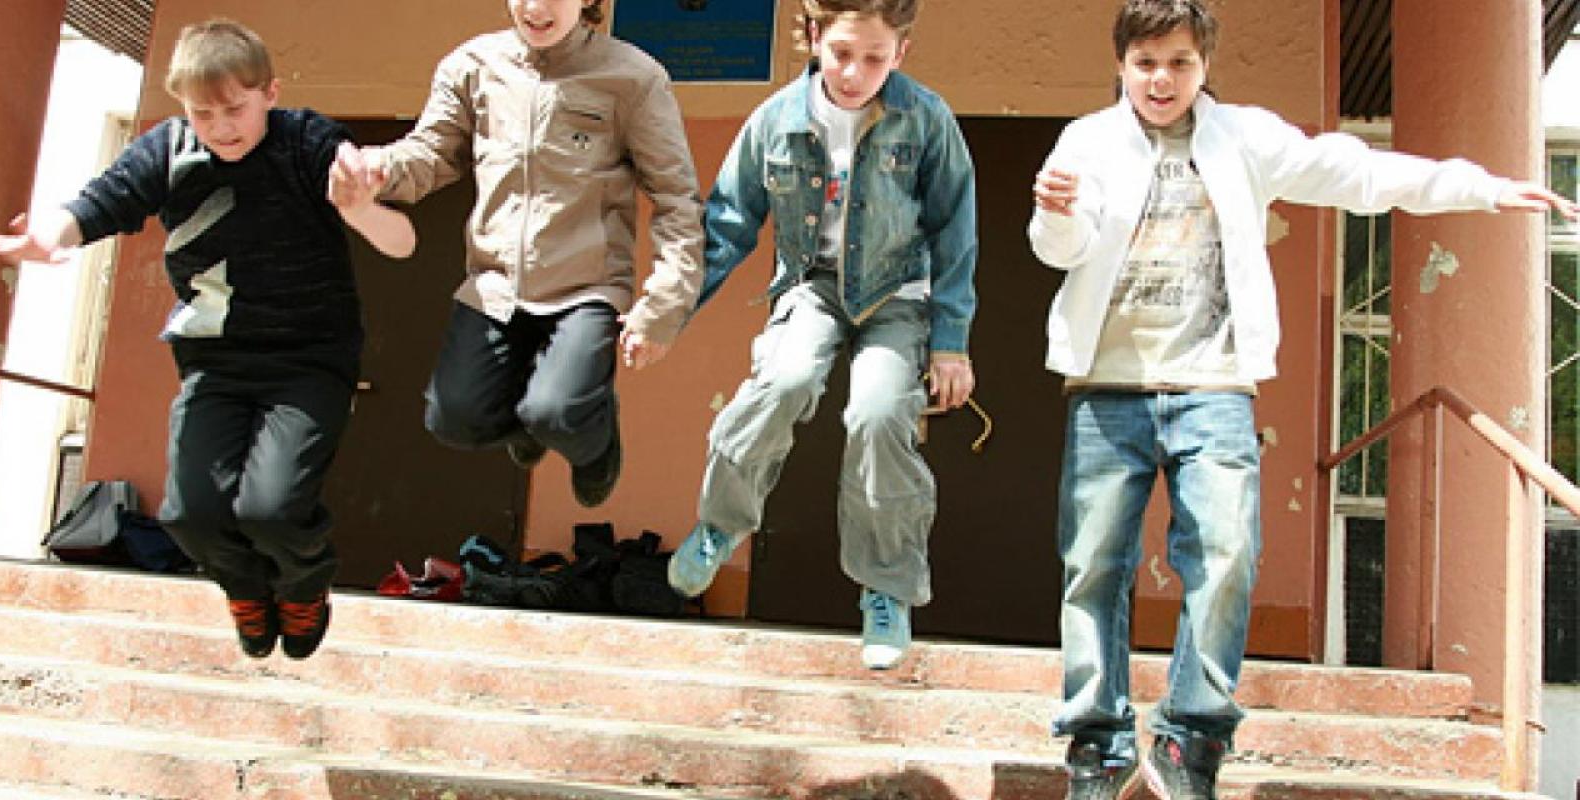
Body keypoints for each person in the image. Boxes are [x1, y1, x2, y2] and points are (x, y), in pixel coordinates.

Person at [1026, 1, 1580, 798]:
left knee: (1227, 555)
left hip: (1214, 387)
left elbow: (1357, 172)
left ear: (1204, 65)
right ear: (1121, 64)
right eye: (1146, 63)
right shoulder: (1087, 141)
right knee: (1092, 566)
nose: (1162, 80)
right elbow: (1061, 250)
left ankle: (1189, 742)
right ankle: (1098, 746)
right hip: (1107, 386)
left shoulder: (1243, 137)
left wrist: (1483, 188)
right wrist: (1053, 213)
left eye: (1180, 63)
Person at [0, 19, 417, 661]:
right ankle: (245, 589)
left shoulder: (307, 142)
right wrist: (51, 236)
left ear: (270, 92)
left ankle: (304, 585)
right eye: (203, 113)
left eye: (235, 109)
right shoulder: (169, 150)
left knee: (269, 509)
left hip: (308, 362)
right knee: (190, 514)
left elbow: (402, 243)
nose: (221, 127)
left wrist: (359, 209)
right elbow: (105, 200)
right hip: (215, 362)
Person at [665, 0, 978, 672]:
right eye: (841, 53)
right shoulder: (775, 120)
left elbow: (956, 233)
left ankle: (887, 588)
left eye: (874, 58)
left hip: (897, 294)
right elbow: (726, 224)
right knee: (786, 379)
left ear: (901, 53)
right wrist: (667, 314)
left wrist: (951, 341)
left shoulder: (926, 118)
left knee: (878, 414)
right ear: (812, 37)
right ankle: (721, 522)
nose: (854, 72)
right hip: (811, 284)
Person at [332, 0, 704, 508]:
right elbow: (431, 153)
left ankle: (595, 444)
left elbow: (676, 199)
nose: (536, 8)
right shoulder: (472, 66)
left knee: (557, 411)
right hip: (496, 284)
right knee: (452, 418)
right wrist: (381, 168)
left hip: (587, 286)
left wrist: (663, 306)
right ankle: (532, 426)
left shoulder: (633, 78)